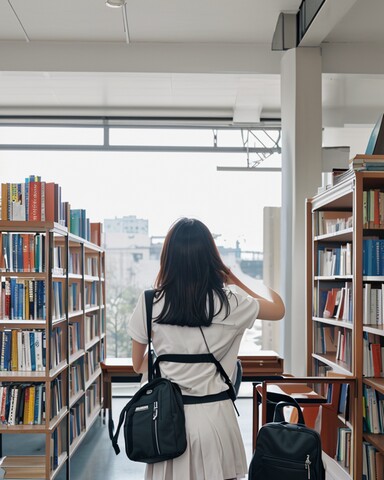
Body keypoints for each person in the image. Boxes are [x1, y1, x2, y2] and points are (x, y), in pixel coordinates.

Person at [128, 218, 285, 480]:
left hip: (167, 423)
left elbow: (138, 364)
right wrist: (234, 277)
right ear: (212, 258)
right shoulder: (232, 303)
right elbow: (277, 308)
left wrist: (172, 359)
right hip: (217, 421)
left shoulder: (149, 302)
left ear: (168, 258)